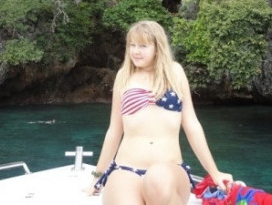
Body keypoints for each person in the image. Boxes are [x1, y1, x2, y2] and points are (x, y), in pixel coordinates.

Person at [88, 20, 234, 205]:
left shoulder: (175, 72)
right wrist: (97, 176)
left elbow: (192, 125)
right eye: (132, 45)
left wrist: (214, 172)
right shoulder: (123, 76)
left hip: (169, 171)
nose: (136, 51)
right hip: (126, 169)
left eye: (143, 46)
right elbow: (114, 131)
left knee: (157, 178)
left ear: (158, 47)